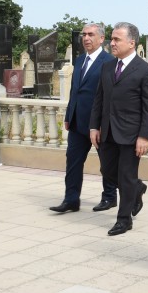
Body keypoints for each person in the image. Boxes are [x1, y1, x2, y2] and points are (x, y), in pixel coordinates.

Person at [89, 22, 148, 236]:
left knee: (126, 175)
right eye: (112, 38)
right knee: (107, 171)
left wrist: (144, 136)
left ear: (132, 42)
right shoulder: (108, 67)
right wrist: (94, 126)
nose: (112, 43)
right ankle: (136, 189)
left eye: (117, 39)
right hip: (108, 131)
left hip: (131, 134)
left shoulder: (146, 71)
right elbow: (99, 99)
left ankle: (124, 219)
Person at [50, 23, 117, 213]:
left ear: (101, 39)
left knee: (107, 164)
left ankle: (110, 197)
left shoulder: (109, 62)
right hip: (78, 123)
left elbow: (109, 96)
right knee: (73, 161)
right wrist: (69, 114)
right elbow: (75, 90)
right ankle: (71, 199)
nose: (86, 38)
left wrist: (103, 123)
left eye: (91, 34)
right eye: (84, 34)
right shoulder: (79, 60)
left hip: (99, 124)